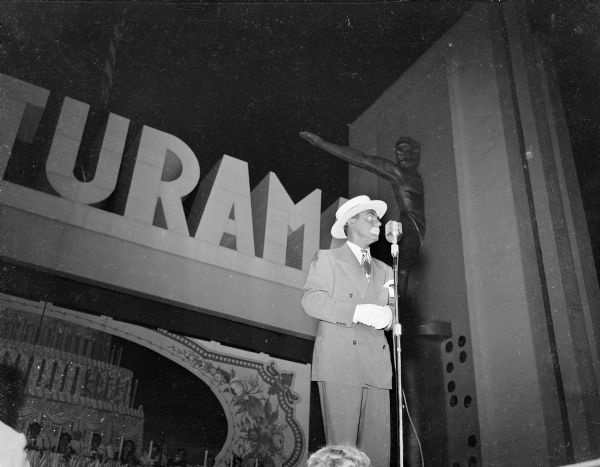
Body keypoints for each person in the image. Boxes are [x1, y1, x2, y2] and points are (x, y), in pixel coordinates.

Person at [301, 195, 394, 467]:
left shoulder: (386, 269)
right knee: (342, 454)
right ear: (351, 222)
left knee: (378, 452)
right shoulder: (328, 259)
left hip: (376, 366)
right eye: (371, 216)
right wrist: (357, 311)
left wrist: (390, 317)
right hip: (340, 361)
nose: (378, 221)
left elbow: (393, 311)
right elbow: (312, 300)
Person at [299, 131, 425, 297]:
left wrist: (321, 143)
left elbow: (363, 160)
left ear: (414, 153)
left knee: (398, 269)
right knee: (397, 269)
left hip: (412, 226)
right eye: (398, 150)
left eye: (404, 149)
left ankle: (395, 305)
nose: (399, 154)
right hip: (414, 227)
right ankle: (394, 304)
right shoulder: (407, 175)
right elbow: (363, 159)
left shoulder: (402, 174)